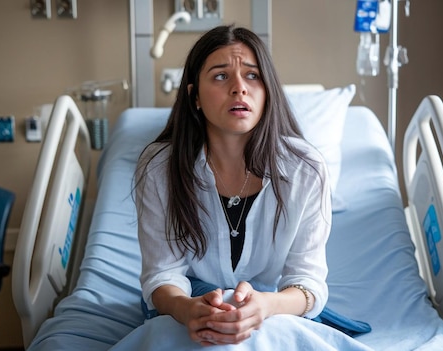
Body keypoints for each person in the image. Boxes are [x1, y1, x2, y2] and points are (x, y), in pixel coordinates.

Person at [134, 24, 332, 346]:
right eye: (221, 76)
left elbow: (307, 283)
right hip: (182, 305)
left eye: (252, 76)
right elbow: (162, 275)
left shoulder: (305, 170)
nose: (240, 88)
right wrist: (188, 311)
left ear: (268, 91)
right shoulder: (160, 168)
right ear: (194, 96)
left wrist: (266, 306)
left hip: (272, 305)